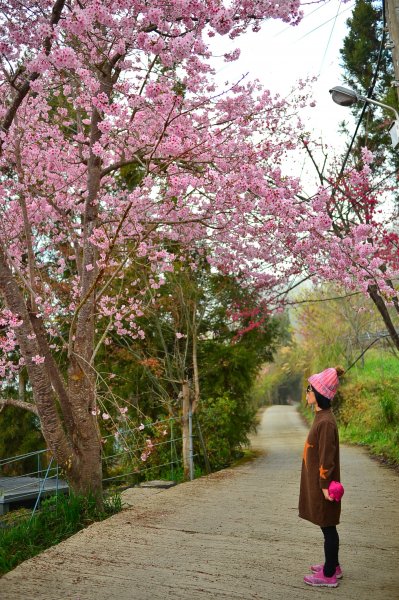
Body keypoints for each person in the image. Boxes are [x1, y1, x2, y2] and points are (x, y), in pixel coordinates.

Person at [298, 366, 345, 588]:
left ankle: (329, 575)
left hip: (324, 486)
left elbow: (327, 458)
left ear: (319, 394)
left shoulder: (325, 422)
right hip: (319, 483)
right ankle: (333, 564)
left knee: (328, 526)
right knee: (327, 525)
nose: (307, 392)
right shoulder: (321, 416)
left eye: (310, 389)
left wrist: (325, 486)